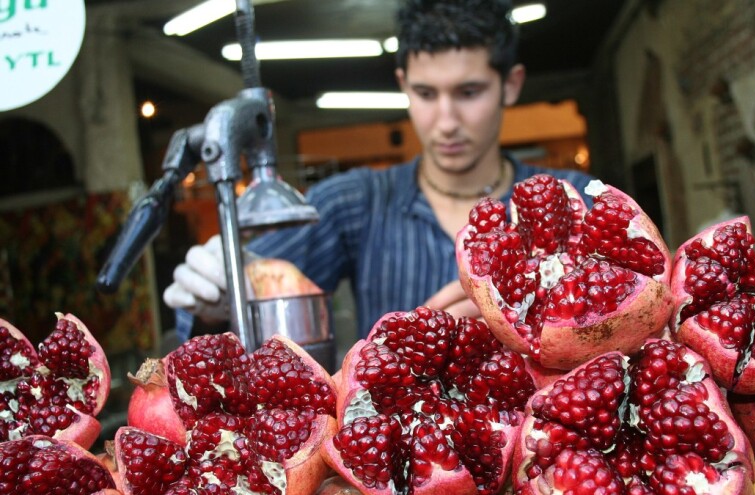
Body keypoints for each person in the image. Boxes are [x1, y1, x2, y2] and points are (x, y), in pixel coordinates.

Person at [164, 0, 598, 340]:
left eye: (469, 92)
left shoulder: (574, 203)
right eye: (426, 93)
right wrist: (217, 297)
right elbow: (241, 299)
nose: (446, 120)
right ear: (403, 84)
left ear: (511, 85)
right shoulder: (355, 202)